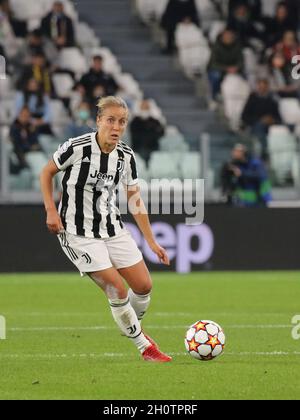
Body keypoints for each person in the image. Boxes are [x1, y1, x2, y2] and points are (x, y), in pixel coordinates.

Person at [40, 96, 172, 363]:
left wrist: (152, 241)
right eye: (110, 120)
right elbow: (46, 173)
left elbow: (135, 199)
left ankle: (130, 324)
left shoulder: (125, 155)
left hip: (112, 228)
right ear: (98, 121)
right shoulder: (77, 147)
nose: (116, 126)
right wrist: (51, 210)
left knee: (144, 286)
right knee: (117, 288)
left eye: (121, 122)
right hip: (78, 234)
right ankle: (144, 346)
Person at [241, 78, 281, 158]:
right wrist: (260, 120)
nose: (262, 89)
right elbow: (244, 116)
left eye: (264, 87)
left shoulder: (272, 100)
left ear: (267, 87)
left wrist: (272, 119)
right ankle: (264, 152)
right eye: (260, 86)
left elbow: (278, 117)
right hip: (254, 125)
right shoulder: (252, 98)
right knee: (259, 126)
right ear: (257, 87)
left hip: (270, 125)